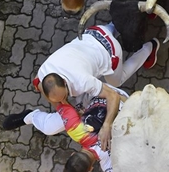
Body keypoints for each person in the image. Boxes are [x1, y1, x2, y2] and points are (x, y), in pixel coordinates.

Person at [13, 23, 159, 151]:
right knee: (110, 30)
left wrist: (106, 125)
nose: (63, 102)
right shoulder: (43, 74)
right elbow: (54, 98)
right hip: (93, 33)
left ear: (65, 82)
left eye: (64, 97)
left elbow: (113, 96)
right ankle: (116, 22)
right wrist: (64, 107)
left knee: (117, 81)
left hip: (109, 49)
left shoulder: (82, 81)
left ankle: (150, 47)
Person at [4, 87, 127, 172]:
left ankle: (29, 116)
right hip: (112, 94)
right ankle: (31, 116)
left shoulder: (109, 166)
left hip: (125, 100)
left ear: (90, 169)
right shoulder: (76, 131)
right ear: (73, 153)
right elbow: (59, 103)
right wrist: (43, 87)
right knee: (59, 120)